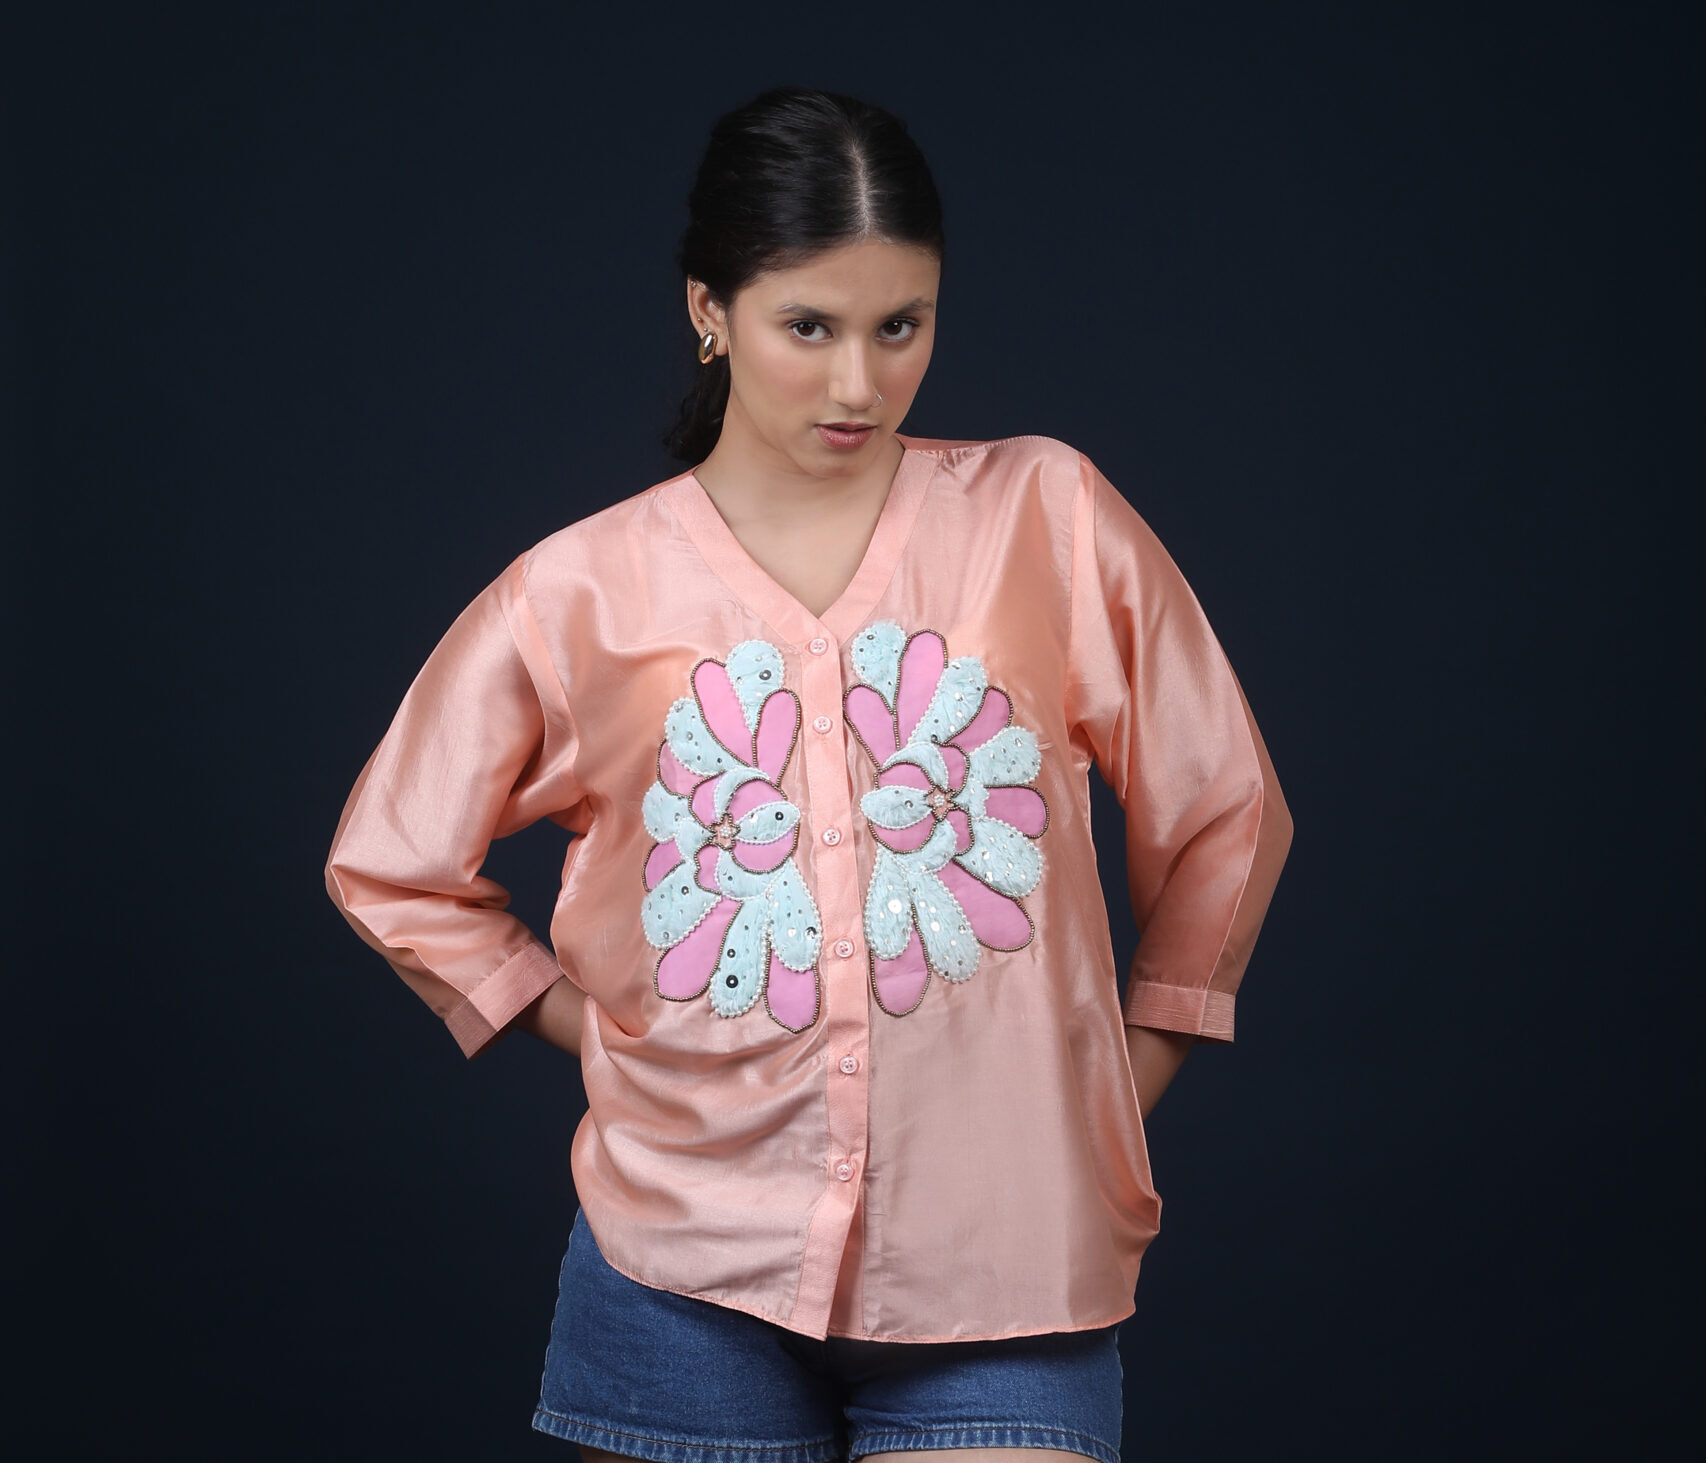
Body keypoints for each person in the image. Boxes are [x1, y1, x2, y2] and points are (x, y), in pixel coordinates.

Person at [325, 84, 1294, 1463]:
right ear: (709, 312)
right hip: (678, 1270)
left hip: (1007, 1267)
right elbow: (394, 862)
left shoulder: (1047, 518)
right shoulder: (580, 592)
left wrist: (1121, 1078)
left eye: (901, 325)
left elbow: (1224, 805)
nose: (859, 384)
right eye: (809, 327)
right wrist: (596, 1035)